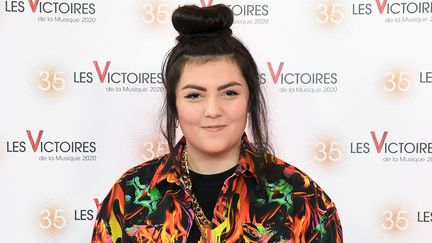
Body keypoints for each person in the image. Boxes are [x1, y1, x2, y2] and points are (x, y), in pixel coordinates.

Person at [92, 4, 343, 243]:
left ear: (250, 99)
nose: (213, 110)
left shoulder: (303, 199)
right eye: (194, 95)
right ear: (174, 105)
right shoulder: (129, 197)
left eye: (229, 93)